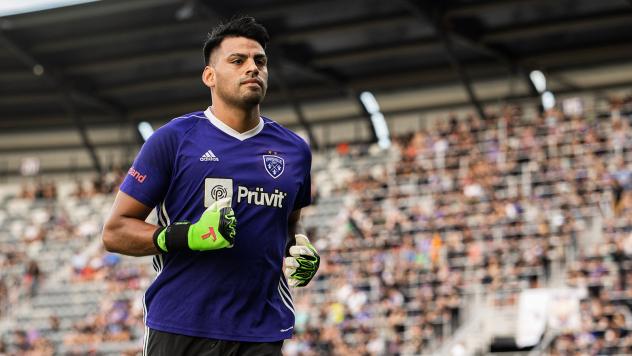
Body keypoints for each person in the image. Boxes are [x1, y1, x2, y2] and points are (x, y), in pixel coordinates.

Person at [102, 16, 320, 356]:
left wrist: (301, 246)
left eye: (260, 61)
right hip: (181, 325)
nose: (253, 68)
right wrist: (186, 236)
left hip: (261, 330)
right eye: (238, 60)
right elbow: (115, 232)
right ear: (210, 76)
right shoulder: (172, 140)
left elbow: (291, 221)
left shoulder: (294, 149)